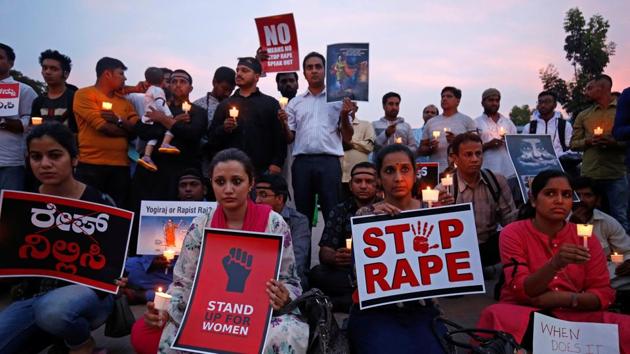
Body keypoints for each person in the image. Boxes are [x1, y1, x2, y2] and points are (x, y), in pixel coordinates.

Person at [131, 148, 308, 354]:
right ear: (212, 185)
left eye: (237, 181)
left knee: (286, 335)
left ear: (250, 183)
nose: (228, 189)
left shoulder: (273, 223)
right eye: (220, 182)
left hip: (260, 313)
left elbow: (291, 281)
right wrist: (164, 310)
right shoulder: (202, 224)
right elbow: (183, 281)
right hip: (211, 311)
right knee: (144, 334)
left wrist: (284, 294)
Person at [477, 170, 630, 352]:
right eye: (550, 194)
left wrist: (565, 298)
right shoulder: (513, 233)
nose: (559, 200)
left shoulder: (586, 237)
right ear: (533, 200)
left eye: (566, 195)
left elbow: (604, 294)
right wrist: (555, 264)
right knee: (495, 314)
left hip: (576, 318)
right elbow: (522, 291)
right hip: (527, 314)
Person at [0, 123, 118, 354]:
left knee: (55, 310)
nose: (45, 164)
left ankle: (81, 343)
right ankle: (57, 340)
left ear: (74, 159)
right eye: (36, 157)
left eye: (55, 155)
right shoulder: (20, 206)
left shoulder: (101, 203)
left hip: (88, 298)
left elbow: (115, 264)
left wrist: (118, 278)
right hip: (32, 299)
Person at [347, 145, 447, 353]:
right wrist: (371, 221)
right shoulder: (366, 216)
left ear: (415, 172)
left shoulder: (432, 214)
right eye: (390, 171)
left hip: (423, 310)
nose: (398, 178)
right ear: (379, 179)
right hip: (375, 312)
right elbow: (358, 275)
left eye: (405, 169)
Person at [280, 52, 354, 226]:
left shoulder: (339, 101)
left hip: (329, 162)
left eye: (318, 67)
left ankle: (331, 253)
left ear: (326, 71)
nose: (314, 71)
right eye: (309, 67)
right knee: (302, 215)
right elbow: (289, 138)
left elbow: (348, 136)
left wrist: (344, 115)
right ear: (304, 73)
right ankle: (302, 253)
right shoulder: (295, 103)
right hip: (302, 163)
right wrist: (283, 123)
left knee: (332, 211)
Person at [124, 168, 208, 304]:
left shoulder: (212, 213)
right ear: (178, 191)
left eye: (193, 184)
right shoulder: (167, 210)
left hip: (192, 271)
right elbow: (150, 246)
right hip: (163, 270)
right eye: (183, 185)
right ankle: (154, 293)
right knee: (128, 266)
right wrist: (153, 261)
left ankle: (144, 295)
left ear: (204, 190)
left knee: (193, 287)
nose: (188, 189)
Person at [437, 132, 517, 268]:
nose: (475, 159)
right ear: (455, 159)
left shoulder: (496, 181)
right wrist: (439, 209)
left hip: (489, 245)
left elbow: (510, 220)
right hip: (458, 249)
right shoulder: (443, 189)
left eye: (478, 154)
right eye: (468, 155)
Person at [311, 161, 379, 312]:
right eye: (358, 181)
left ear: (377, 185)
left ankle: (343, 302)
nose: (363, 186)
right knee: (316, 274)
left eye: (368, 182)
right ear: (350, 185)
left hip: (378, 273)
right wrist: (335, 256)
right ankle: (356, 301)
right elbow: (324, 251)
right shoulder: (339, 210)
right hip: (347, 273)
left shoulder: (386, 208)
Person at [73, 57, 139, 207]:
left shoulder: (125, 102)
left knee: (118, 212)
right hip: (90, 165)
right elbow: (104, 127)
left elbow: (137, 129)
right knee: (86, 211)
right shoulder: (84, 95)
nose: (125, 78)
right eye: (121, 73)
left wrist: (119, 120)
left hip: (121, 167)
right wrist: (126, 130)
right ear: (107, 74)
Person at [133, 69, 207, 202]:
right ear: (168, 85)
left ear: (190, 88)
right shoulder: (157, 106)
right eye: (174, 81)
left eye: (182, 82)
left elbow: (192, 134)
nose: (178, 84)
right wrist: (172, 122)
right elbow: (142, 131)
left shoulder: (198, 112)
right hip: (153, 172)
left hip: (182, 173)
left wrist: (162, 120)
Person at [208, 57, 286, 177]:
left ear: (256, 76)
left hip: (263, 171)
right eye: (237, 70)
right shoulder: (225, 104)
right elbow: (211, 138)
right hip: (231, 170)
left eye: (244, 70)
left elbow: (279, 137)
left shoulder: (270, 103)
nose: (239, 73)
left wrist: (276, 164)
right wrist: (224, 129)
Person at [570, 74, 629, 233]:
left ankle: (623, 254)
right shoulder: (584, 115)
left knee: (620, 216)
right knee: (588, 216)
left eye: (590, 88)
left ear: (602, 88)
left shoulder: (623, 112)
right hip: (591, 174)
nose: (586, 92)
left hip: (616, 173)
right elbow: (573, 144)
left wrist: (614, 143)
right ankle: (591, 251)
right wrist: (588, 142)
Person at [570, 176, 630, 290]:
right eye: (577, 195)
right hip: (568, 271)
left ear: (597, 200)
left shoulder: (607, 222)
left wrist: (626, 261)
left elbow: (625, 251)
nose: (582, 200)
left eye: (588, 195)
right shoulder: (560, 219)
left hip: (601, 272)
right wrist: (572, 227)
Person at [255, 173, 311, 289]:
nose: (257, 201)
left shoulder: (298, 221)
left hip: (285, 277)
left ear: (279, 198)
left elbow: (297, 261)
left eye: (263, 195)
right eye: (256, 195)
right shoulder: (253, 217)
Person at [0, 43, 38, 191]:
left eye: (0, 57)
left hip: (10, 163)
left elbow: (32, 122)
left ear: (11, 63)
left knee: (8, 210)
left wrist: (2, 122)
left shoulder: (24, 90)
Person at [474, 88, 519, 203]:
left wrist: (509, 141)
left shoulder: (507, 122)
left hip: (509, 171)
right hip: (487, 171)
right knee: (490, 203)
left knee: (509, 203)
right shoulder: (476, 122)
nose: (494, 103)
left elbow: (517, 147)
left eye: (497, 100)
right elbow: (472, 148)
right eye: (490, 100)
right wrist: (488, 145)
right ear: (483, 102)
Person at [418, 86, 475, 173]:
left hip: (461, 170)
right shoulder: (431, 122)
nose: (444, 99)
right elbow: (421, 149)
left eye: (449, 96)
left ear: (458, 101)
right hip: (436, 171)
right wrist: (430, 148)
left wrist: (457, 141)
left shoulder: (467, 121)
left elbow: (475, 146)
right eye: (443, 96)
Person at [137, 67, 176, 172]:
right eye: (167, 81)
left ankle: (147, 156)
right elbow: (160, 103)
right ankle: (165, 144)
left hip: (148, 119)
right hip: (154, 118)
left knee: (153, 137)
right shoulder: (158, 90)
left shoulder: (149, 90)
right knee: (172, 126)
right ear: (162, 79)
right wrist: (167, 115)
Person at [30, 49, 77, 132]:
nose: (47, 72)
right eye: (44, 68)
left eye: (54, 69)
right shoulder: (38, 101)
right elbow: (33, 129)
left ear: (66, 74)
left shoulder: (75, 98)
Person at [521, 91, 573, 158]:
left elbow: (571, 148)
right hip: (536, 165)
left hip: (560, 165)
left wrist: (558, 157)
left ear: (555, 105)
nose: (543, 105)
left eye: (547, 102)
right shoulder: (529, 127)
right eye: (540, 102)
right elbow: (524, 149)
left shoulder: (565, 125)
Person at [341, 101, 375, 199]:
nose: (348, 107)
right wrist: (358, 143)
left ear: (356, 109)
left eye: (351, 105)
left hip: (360, 179)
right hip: (338, 177)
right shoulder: (335, 126)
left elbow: (369, 146)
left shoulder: (366, 125)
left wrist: (350, 142)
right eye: (345, 104)